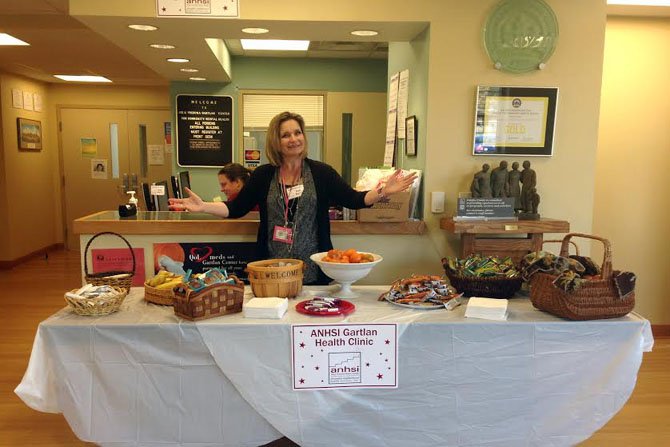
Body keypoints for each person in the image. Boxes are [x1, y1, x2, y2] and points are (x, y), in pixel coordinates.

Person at [170, 111, 417, 284]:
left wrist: (385, 191)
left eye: (297, 132)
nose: (293, 139)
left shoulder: (322, 172)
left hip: (314, 269)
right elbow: (235, 208)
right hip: (270, 267)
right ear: (275, 141)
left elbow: (354, 199)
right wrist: (203, 206)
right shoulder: (264, 175)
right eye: (285, 135)